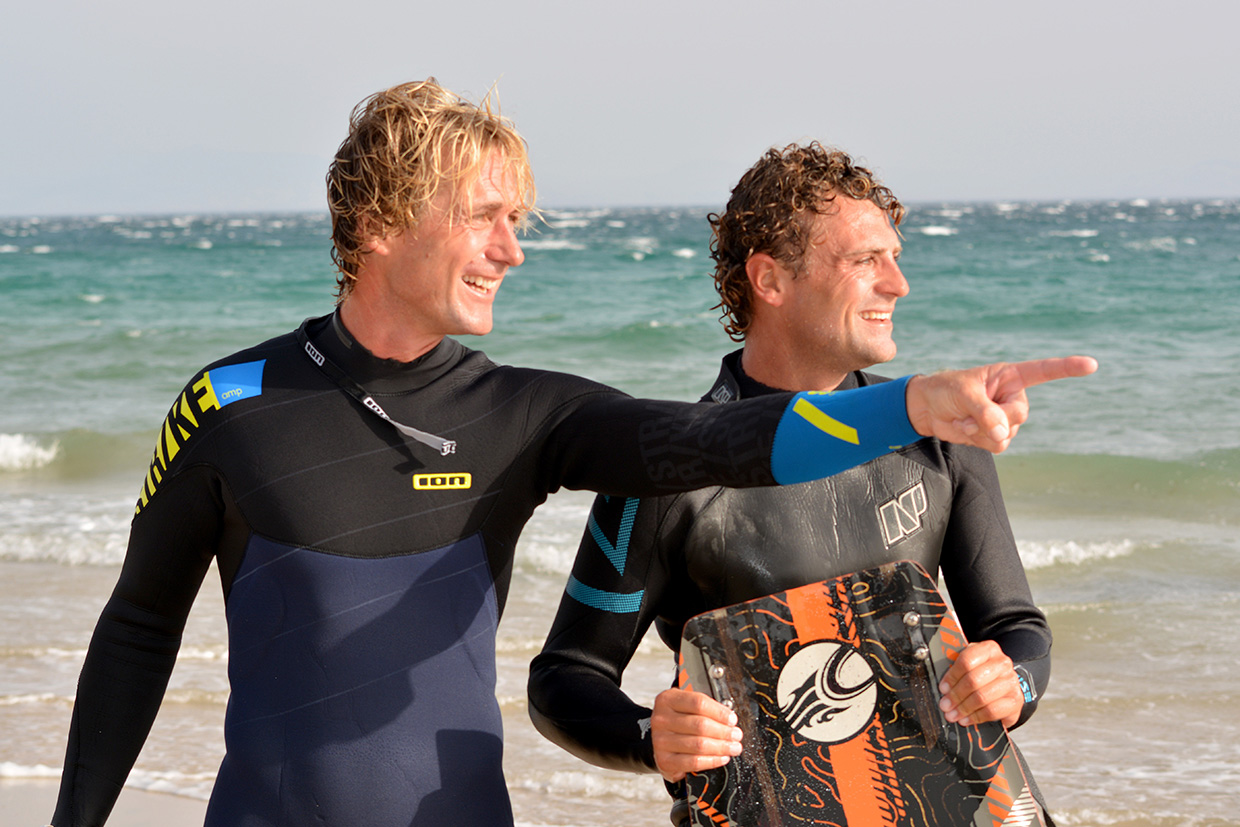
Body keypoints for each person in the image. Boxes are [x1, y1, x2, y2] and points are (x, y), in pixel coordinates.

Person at [49, 81, 1092, 827]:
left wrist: (910, 403)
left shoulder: (522, 413)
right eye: (486, 218)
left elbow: (716, 437)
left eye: (518, 220)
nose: (513, 247)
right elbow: (139, 627)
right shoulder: (227, 402)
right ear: (378, 223)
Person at [528, 143, 1061, 823]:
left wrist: (1008, 680)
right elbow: (563, 676)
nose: (898, 285)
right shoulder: (667, 473)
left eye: (895, 258)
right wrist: (650, 735)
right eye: (866, 261)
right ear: (770, 279)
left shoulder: (937, 439)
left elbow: (1017, 627)